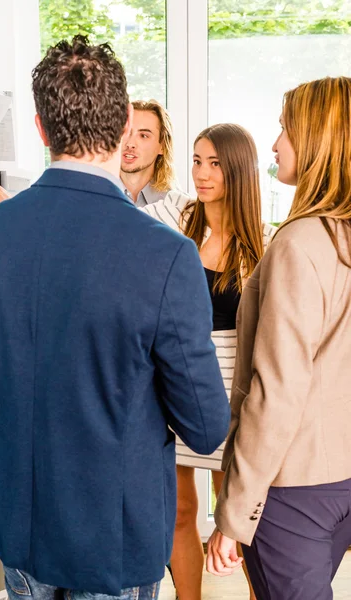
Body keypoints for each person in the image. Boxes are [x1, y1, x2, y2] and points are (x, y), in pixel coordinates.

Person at [0, 35, 230, 600]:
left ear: (39, 127)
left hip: (19, 522)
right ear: (126, 122)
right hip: (114, 534)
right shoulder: (167, 253)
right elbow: (205, 425)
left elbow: (3, 357)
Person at [207, 75, 351, 600]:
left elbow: (277, 391)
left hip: (295, 489)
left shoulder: (299, 242)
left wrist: (234, 511)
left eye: (284, 130)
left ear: (316, 143)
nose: (273, 144)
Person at [141, 123, 276, 600]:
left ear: (238, 169)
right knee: (178, 510)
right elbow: (110, 209)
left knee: (236, 515)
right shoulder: (178, 216)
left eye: (215, 163)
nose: (201, 173)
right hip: (176, 386)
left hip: (232, 398)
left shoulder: (265, 240)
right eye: (197, 160)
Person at [0, 99, 175, 207]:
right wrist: (19, 211)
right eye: (127, 133)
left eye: (144, 136)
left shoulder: (177, 207)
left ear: (162, 146)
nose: (130, 143)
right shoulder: (86, 194)